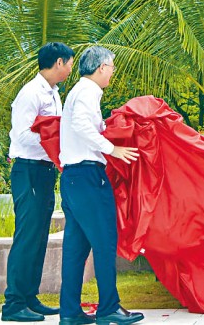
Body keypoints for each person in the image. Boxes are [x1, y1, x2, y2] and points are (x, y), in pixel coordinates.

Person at [58, 46, 143, 325]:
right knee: (105, 242)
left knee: (75, 249)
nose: (112, 72)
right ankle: (109, 308)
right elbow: (83, 126)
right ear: (101, 68)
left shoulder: (78, 92)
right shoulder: (88, 92)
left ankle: (70, 312)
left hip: (72, 178)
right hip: (87, 177)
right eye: (111, 67)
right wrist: (112, 149)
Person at [3, 42, 74, 322]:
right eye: (69, 63)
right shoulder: (30, 93)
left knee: (38, 236)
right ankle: (14, 303)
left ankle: (29, 298)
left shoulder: (54, 93)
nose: (70, 68)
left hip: (45, 171)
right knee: (27, 236)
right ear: (58, 62)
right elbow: (21, 136)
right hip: (29, 170)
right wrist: (55, 142)